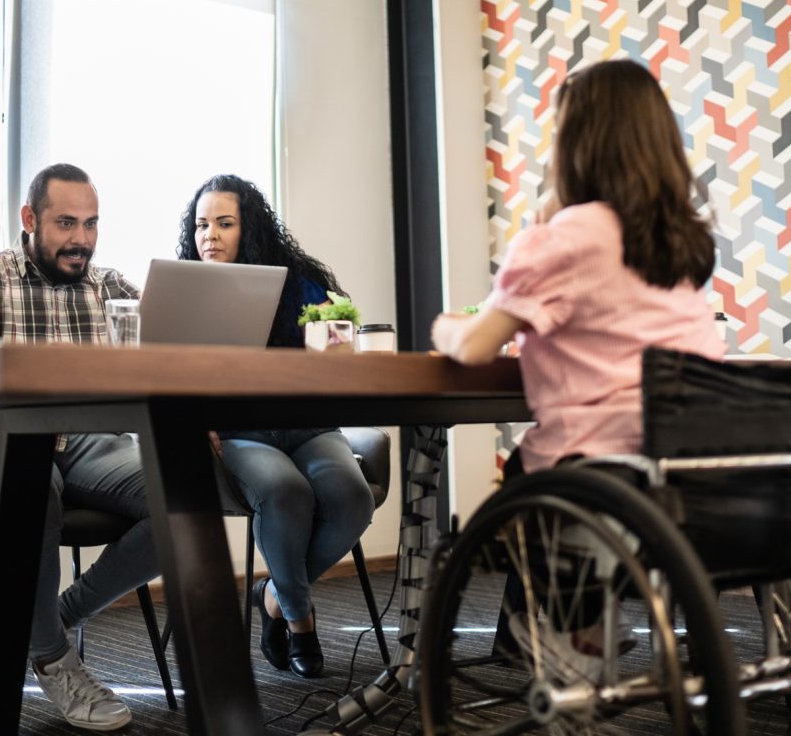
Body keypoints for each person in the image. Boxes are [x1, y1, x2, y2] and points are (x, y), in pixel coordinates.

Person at [430, 58, 724, 674]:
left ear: (578, 140)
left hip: (604, 473)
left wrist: (443, 325)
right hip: (700, 470)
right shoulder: (677, 238)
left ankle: (579, 632)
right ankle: (584, 625)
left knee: (519, 477)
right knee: (534, 472)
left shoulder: (567, 236)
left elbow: (477, 345)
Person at [0, 163, 158, 732]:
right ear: (30, 219)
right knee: (32, 490)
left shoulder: (112, 289)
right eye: (66, 223)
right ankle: (55, 660)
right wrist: (39, 375)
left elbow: (161, 360)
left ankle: (54, 620)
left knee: (184, 492)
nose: (81, 239)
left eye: (91, 224)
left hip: (87, 435)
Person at [176, 173, 375, 679]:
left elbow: (339, 347)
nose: (209, 236)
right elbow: (164, 369)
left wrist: (334, 333)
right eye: (201, 225)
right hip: (238, 435)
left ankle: (272, 597)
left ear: (251, 228)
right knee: (286, 492)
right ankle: (301, 621)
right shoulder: (183, 290)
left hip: (310, 427)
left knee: (353, 497)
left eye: (224, 223)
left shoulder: (297, 279)